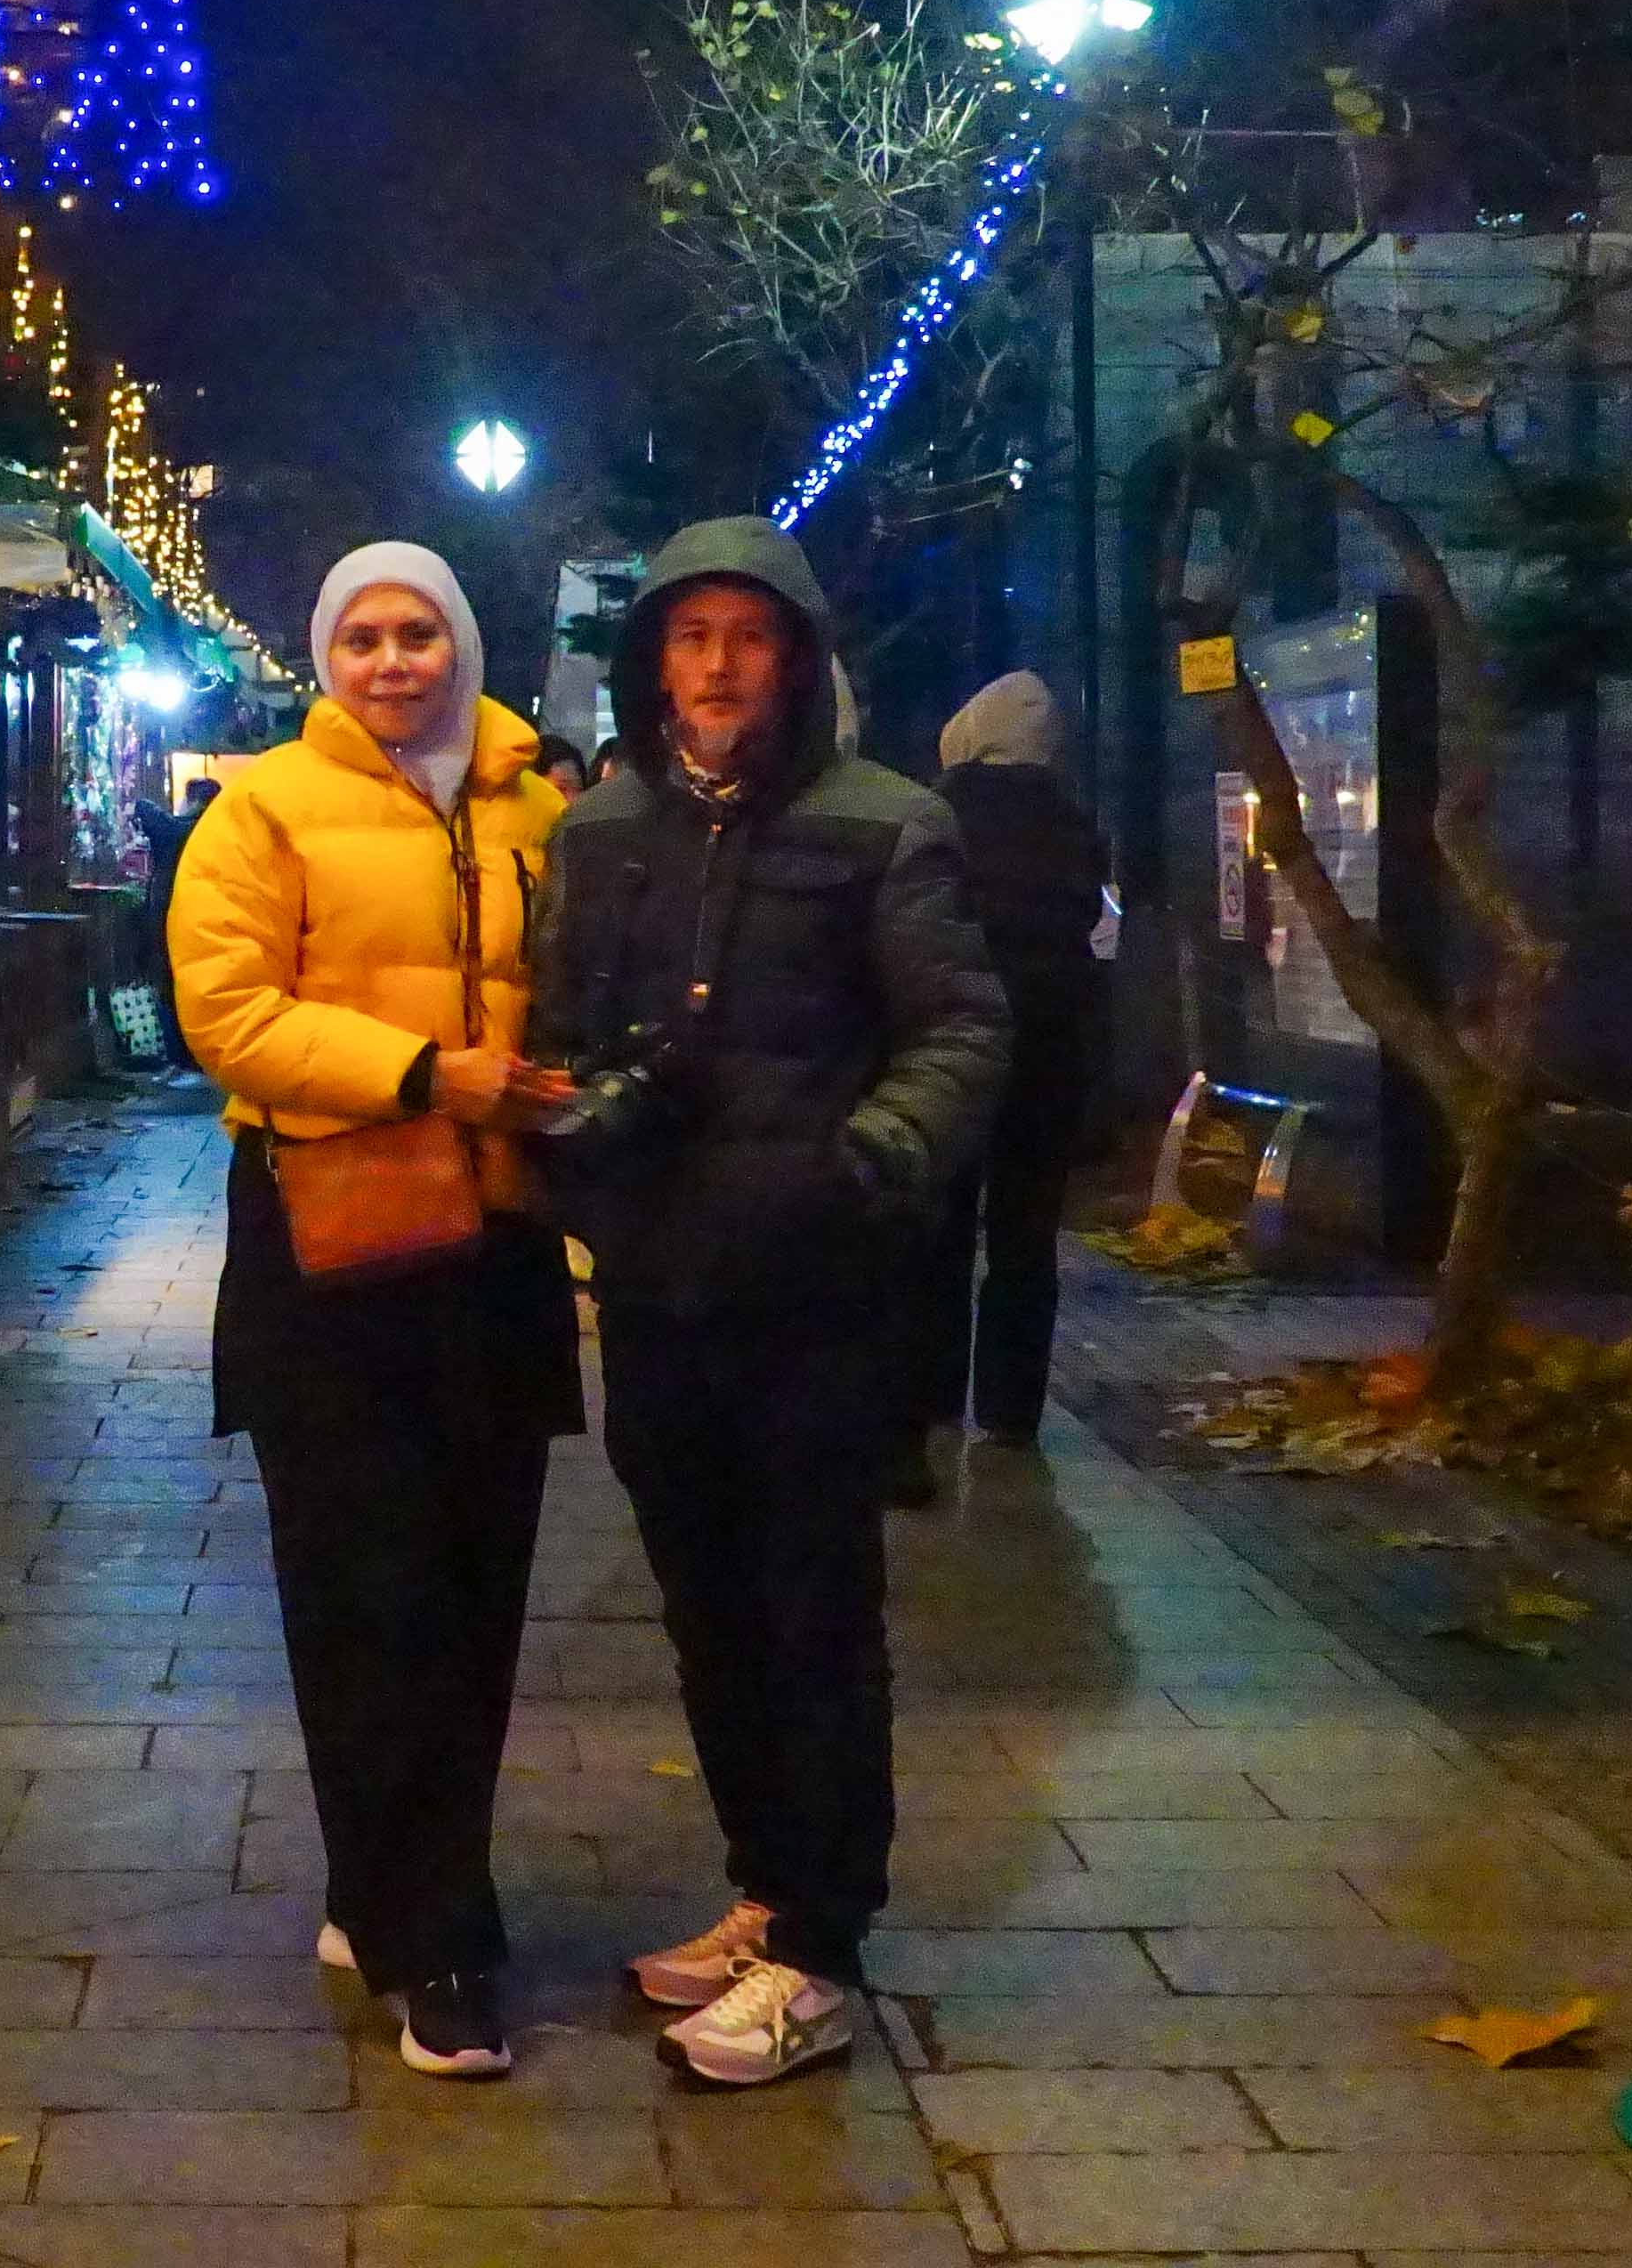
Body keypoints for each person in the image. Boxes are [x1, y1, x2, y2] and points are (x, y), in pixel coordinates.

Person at [529, 517, 1004, 2086]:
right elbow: (561, 1027)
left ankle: (821, 1949)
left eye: (748, 634)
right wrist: (589, 1136)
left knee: (815, 1615)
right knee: (708, 1611)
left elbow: (960, 1032)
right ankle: (764, 1891)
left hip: (819, 1298)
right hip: (662, 1290)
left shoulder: (886, 825)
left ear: (794, 656)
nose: (720, 664)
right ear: (653, 661)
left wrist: (868, 1161)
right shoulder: (602, 831)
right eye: (691, 635)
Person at [166, 545, 577, 2080]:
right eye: (363, 637)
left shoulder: (539, 811)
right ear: (326, 656)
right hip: (329, 1244)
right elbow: (227, 1012)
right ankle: (439, 1947)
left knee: (476, 1589)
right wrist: (421, 1075)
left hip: (499, 1248)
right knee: (366, 1591)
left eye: (418, 634)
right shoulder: (263, 809)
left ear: (461, 644)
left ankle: (384, 1886)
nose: (393, 661)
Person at [916, 674, 1109, 1477]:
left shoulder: (936, 815)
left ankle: (932, 1395)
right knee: (1026, 1233)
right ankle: (1012, 1409)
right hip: (1050, 1049)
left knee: (941, 1225)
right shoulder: (1075, 822)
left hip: (959, 1043)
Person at [141, 774, 225, 1070]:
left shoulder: (185, 829)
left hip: (175, 916)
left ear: (194, 801)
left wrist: (134, 800)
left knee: (171, 983)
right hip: (210, 918)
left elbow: (147, 812)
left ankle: (183, 1058)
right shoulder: (222, 832)